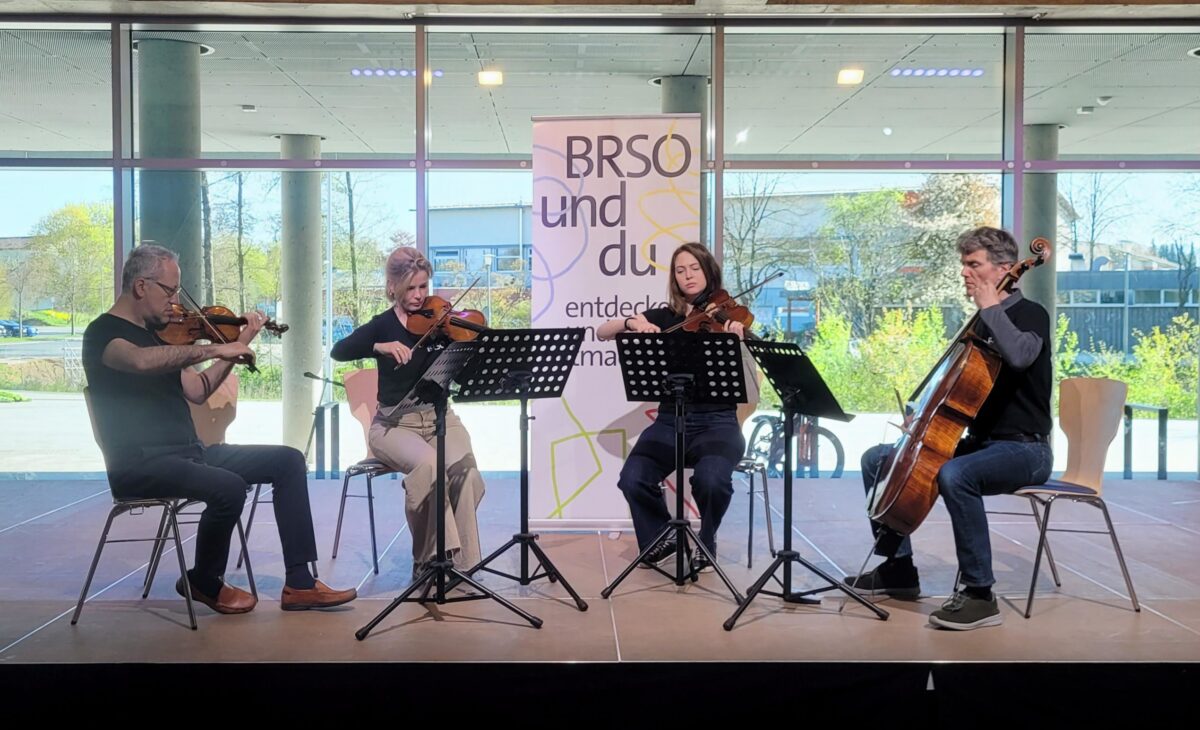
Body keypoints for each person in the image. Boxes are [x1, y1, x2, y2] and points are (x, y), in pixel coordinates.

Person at [83, 244, 356, 614]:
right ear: (141, 286)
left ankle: (301, 583)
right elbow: (140, 362)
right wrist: (213, 349)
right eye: (169, 290)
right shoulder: (102, 333)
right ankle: (204, 580)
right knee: (227, 486)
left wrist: (238, 345)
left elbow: (198, 391)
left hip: (189, 454)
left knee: (289, 461)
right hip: (140, 464)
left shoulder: (158, 336)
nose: (176, 301)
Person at [847, 226, 1053, 630]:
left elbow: (1020, 357)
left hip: (1026, 450)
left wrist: (991, 306)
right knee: (878, 459)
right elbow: (961, 391)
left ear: (1004, 270)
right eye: (964, 265)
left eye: (974, 265)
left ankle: (980, 594)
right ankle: (899, 569)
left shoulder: (1031, 315)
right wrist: (923, 411)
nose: (965, 273)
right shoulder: (981, 322)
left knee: (954, 474)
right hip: (981, 445)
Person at [331, 247, 486, 579]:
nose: (418, 297)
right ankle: (429, 561)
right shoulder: (382, 326)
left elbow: (460, 372)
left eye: (423, 287)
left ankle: (464, 566)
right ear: (393, 287)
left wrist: (470, 350)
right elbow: (339, 350)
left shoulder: (442, 323)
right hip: (393, 424)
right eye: (410, 289)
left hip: (441, 418)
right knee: (430, 467)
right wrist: (378, 347)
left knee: (467, 473)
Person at [597, 242, 750, 574]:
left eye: (694, 268)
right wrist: (632, 324)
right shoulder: (666, 317)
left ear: (709, 271)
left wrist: (739, 340)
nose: (687, 275)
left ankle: (706, 540)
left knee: (712, 480)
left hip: (718, 421)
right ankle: (663, 537)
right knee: (633, 477)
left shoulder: (727, 317)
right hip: (671, 419)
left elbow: (751, 379)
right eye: (680, 270)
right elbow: (602, 331)